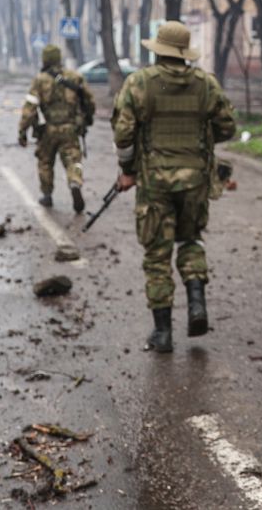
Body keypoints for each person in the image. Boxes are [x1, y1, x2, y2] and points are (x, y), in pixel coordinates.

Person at [112, 21, 236, 353]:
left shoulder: (139, 83)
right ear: (184, 54)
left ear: (159, 50)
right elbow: (227, 126)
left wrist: (127, 169)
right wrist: (199, 140)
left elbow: (123, 135)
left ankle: (163, 332)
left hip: (155, 182)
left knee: (157, 253)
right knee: (191, 240)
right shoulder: (205, 84)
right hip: (195, 180)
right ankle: (197, 304)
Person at [18, 43, 95, 213]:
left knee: (45, 162)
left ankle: (47, 195)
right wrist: (87, 121)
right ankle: (75, 181)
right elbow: (89, 101)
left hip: (48, 130)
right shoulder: (75, 77)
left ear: (45, 60)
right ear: (59, 58)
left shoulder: (40, 80)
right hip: (70, 129)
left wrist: (22, 131)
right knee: (73, 160)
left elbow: (29, 109)